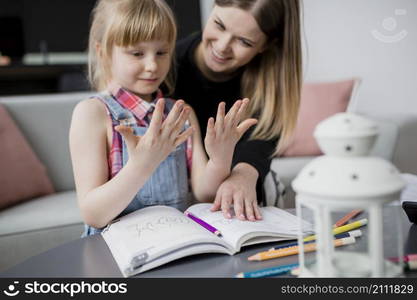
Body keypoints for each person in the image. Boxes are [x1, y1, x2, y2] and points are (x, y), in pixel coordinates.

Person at [69, 0, 257, 236]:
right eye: (137, 53)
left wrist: (220, 158)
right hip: (115, 251)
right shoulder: (92, 114)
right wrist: (141, 165)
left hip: (172, 243)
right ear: (103, 52)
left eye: (161, 52)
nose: (152, 65)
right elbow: (93, 215)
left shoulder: (180, 112)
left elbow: (203, 194)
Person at [174, 0, 303, 221]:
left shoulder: (268, 80)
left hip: (237, 181)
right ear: (213, 9)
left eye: (244, 41)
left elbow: (264, 136)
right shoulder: (166, 65)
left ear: (265, 46)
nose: (223, 46)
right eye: (219, 25)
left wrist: (244, 173)